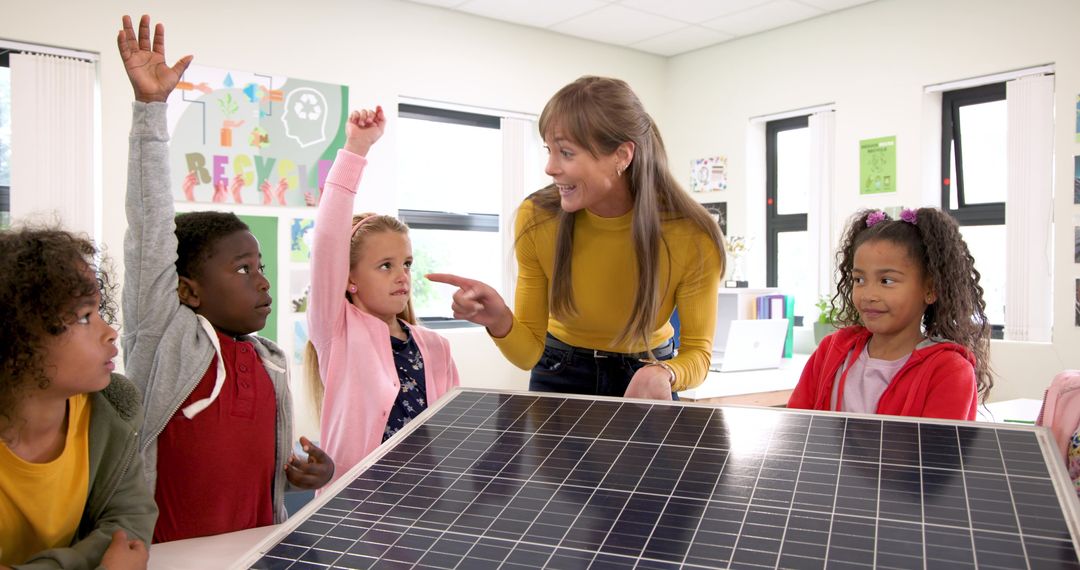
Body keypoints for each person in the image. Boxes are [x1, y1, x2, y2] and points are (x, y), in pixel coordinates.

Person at [117, 14, 333, 543]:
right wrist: (150, 110)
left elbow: (276, 477)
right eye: (242, 269)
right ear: (186, 289)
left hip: (252, 551)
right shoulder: (164, 338)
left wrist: (314, 477)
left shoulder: (268, 360)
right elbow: (149, 227)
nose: (263, 283)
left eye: (260, 268)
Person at [429, 76, 725, 401]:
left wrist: (666, 372)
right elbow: (528, 355)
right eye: (549, 150)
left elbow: (698, 354)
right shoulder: (538, 217)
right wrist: (499, 319)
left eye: (566, 152)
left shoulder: (691, 235)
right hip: (559, 370)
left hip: (648, 374)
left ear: (622, 155)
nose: (550, 167)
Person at [305, 107, 459, 482]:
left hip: (425, 497)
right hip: (357, 505)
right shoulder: (337, 332)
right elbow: (328, 239)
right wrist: (356, 149)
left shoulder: (436, 347)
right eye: (385, 265)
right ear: (348, 279)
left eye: (406, 263)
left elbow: (454, 431)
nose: (402, 276)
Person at [0, 227, 156, 569]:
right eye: (85, 317)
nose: (111, 332)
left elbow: (130, 519)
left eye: (100, 311)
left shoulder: (113, 409)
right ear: (16, 337)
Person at [788, 207, 992, 420]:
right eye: (859, 280)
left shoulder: (949, 371)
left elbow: (939, 451)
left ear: (930, 289)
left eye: (887, 281)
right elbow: (796, 429)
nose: (869, 294)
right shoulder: (830, 351)